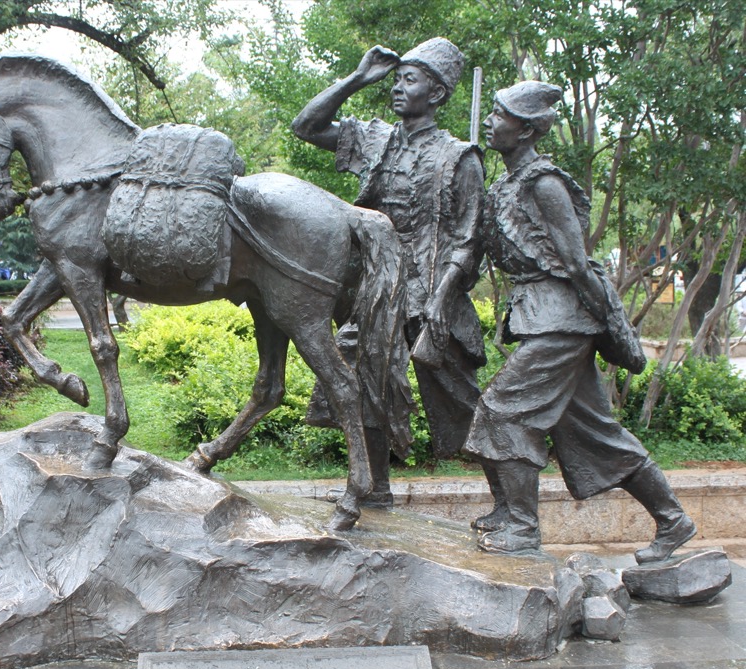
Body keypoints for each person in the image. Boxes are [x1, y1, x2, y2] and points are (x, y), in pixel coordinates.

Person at [463, 80, 697, 563]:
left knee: (503, 411)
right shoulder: (503, 184)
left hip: (562, 320)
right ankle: (674, 521)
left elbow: (574, 262)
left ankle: (523, 526)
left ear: (525, 129)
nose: (491, 121)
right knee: (594, 432)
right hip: (539, 317)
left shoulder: (546, 183)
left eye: (501, 115)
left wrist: (609, 324)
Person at [292, 39, 491, 509]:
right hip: (377, 288)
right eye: (397, 79)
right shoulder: (374, 138)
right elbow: (307, 125)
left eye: (410, 79)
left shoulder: (460, 157)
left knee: (460, 405)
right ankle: (375, 489)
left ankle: (512, 507)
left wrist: (441, 301)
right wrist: (358, 78)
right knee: (365, 387)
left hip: (432, 293)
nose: (397, 88)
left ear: (437, 93)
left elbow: (468, 240)